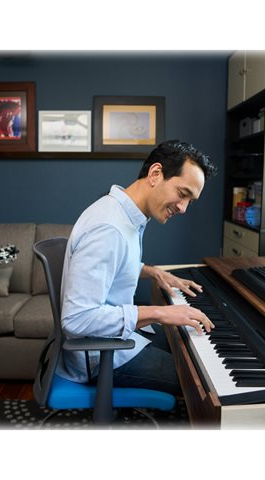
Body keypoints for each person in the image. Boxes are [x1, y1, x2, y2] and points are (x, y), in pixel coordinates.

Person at [59, 140, 217, 395]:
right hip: (100, 357)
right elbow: (77, 319)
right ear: (155, 174)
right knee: (205, 383)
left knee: (188, 347)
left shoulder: (121, 213)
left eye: (190, 200)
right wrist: (160, 313)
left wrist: (152, 272)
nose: (183, 208)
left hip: (112, 342)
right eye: (182, 193)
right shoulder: (109, 229)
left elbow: (113, 262)